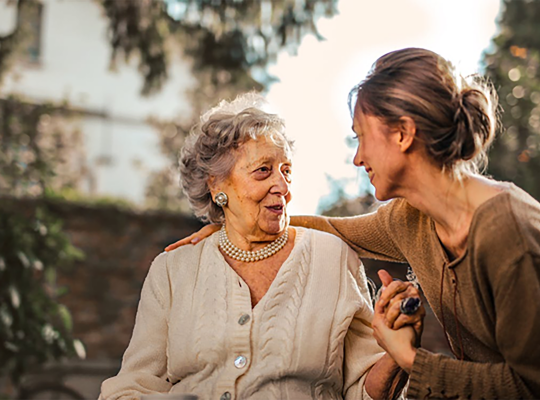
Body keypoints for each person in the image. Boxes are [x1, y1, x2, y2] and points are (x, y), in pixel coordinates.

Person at [166, 48, 540, 399]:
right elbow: (334, 228)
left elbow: (530, 385)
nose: (358, 158)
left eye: (361, 137)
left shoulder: (508, 231)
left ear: (403, 133)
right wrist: (237, 223)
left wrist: (411, 360)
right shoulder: (410, 218)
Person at [100, 94, 419, 400]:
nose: (282, 187)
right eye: (263, 170)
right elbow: (133, 384)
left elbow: (365, 391)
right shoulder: (172, 270)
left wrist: (396, 352)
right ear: (217, 185)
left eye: (287, 171)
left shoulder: (333, 259)